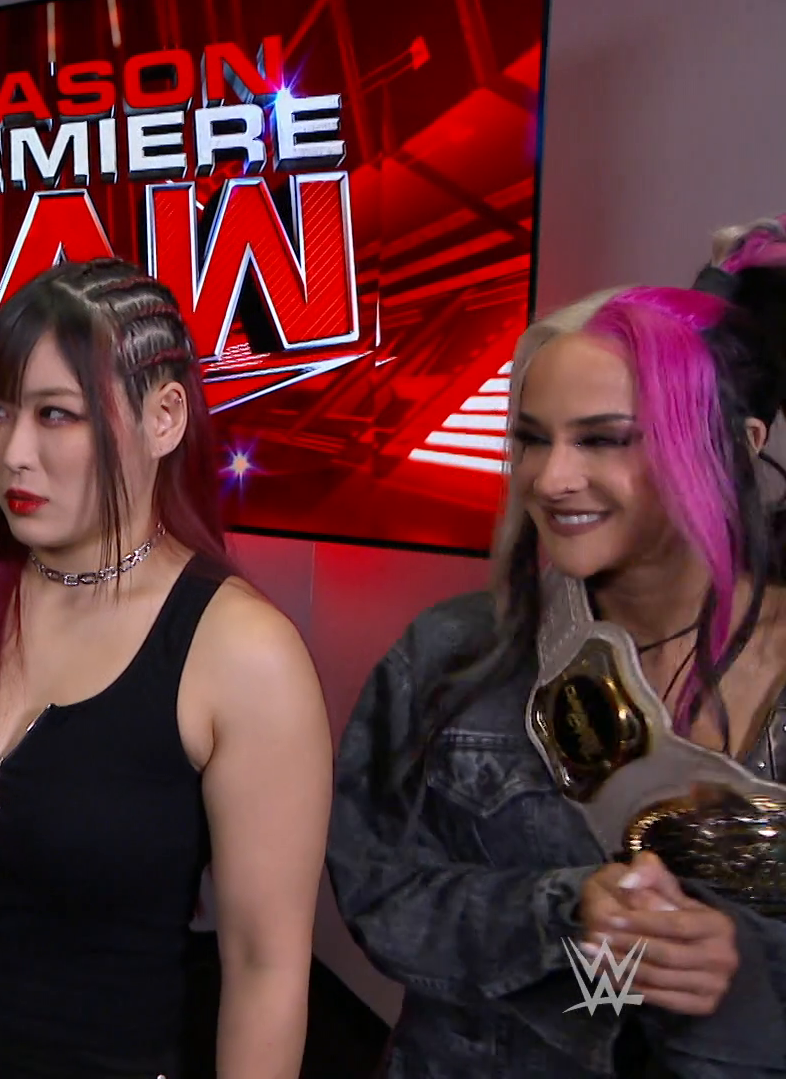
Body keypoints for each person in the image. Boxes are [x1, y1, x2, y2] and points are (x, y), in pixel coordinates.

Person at [0, 259, 332, 1078]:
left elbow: (265, 971)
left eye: (56, 414)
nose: (14, 452)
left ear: (164, 417)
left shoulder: (243, 653)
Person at [326, 221, 786, 1077]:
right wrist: (563, 913)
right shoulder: (450, 656)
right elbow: (377, 889)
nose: (548, 478)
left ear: (734, 447)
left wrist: (743, 966)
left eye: (602, 439)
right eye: (534, 438)